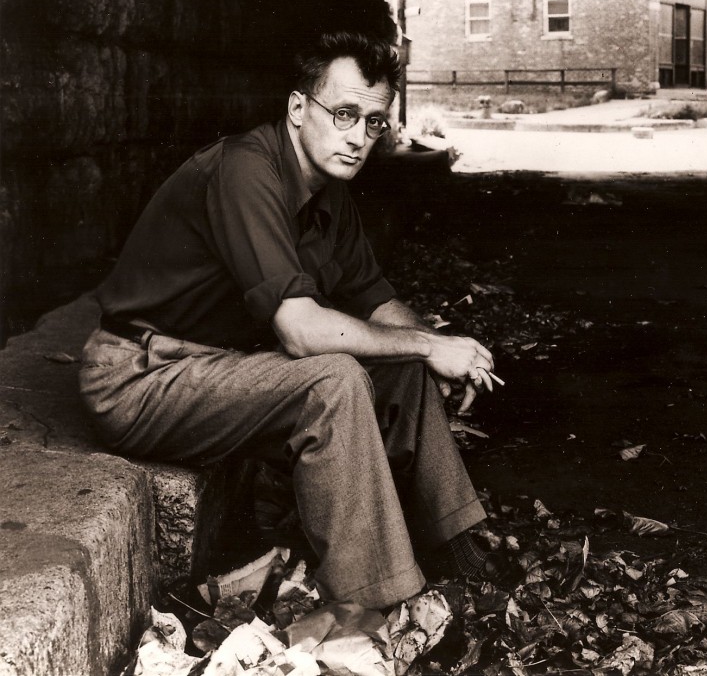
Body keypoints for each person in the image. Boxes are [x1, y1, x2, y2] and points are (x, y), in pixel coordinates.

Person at [79, 30, 503, 610]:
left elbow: (376, 301)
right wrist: (429, 347)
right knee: (335, 378)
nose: (358, 138)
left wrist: (437, 345)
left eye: (373, 122)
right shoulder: (245, 170)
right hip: (141, 377)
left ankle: (456, 544)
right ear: (299, 108)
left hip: (219, 369)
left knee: (404, 359)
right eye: (345, 114)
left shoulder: (330, 192)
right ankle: (366, 607)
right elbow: (301, 333)